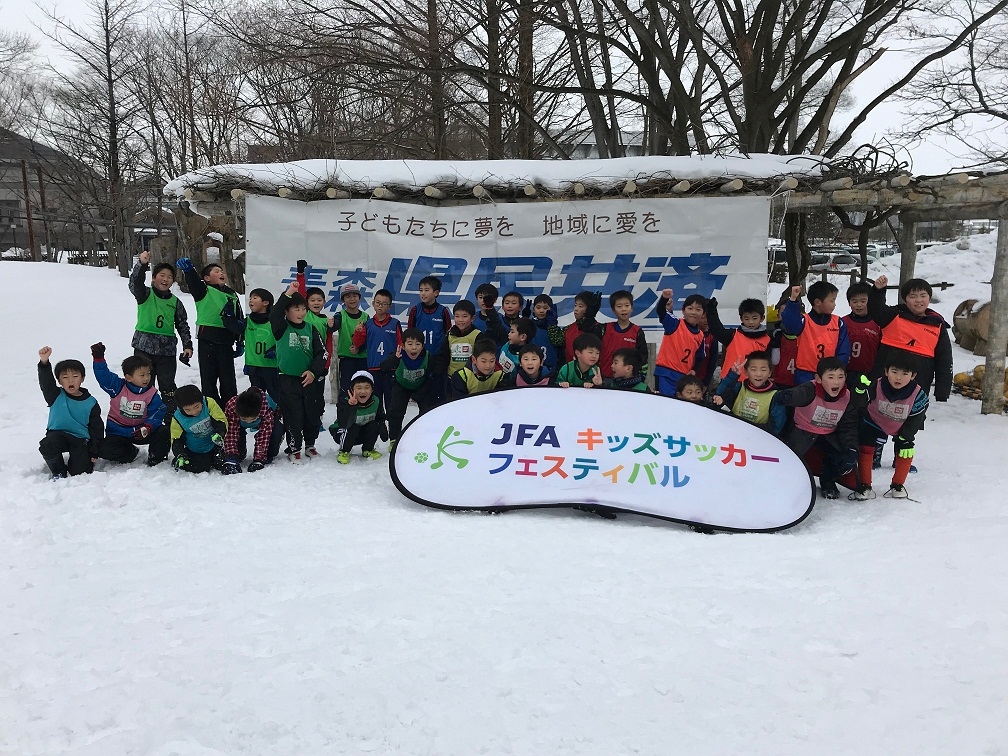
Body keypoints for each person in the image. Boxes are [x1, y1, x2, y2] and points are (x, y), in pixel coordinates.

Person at [771, 357, 862, 499]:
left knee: (844, 456)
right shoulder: (810, 389)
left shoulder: (847, 398)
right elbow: (799, 394)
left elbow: (848, 427)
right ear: (819, 379)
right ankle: (788, 482)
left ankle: (828, 481)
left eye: (840, 377)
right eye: (830, 377)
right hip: (802, 432)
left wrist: (851, 447)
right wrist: (787, 397)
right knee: (790, 457)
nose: (836, 382)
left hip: (828, 435)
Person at [850, 353, 929, 500]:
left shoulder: (918, 395)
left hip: (901, 426)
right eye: (894, 372)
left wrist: (906, 437)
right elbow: (858, 403)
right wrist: (859, 390)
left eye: (905, 374)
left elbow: (916, 418)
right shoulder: (876, 385)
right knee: (865, 448)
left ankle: (898, 485)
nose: (898, 378)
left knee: (906, 450)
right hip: (874, 421)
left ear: (913, 376)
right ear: (886, 372)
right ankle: (865, 485)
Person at [867, 275, 952, 402]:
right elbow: (875, 309)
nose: (918, 300)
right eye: (913, 296)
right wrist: (878, 291)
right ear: (905, 300)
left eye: (923, 296)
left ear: (929, 298)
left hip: (918, 384)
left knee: (913, 418)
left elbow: (944, 360)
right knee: (877, 415)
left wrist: (942, 391)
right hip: (884, 380)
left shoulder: (937, 325)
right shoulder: (894, 316)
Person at [128, 250, 192, 408]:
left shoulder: (175, 302)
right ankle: (141, 416)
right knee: (143, 384)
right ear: (154, 278)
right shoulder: (145, 294)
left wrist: (187, 345)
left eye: (170, 277)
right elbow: (134, 283)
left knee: (167, 387)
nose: (166, 279)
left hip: (166, 351)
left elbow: (182, 324)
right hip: (144, 348)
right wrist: (141, 265)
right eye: (162, 275)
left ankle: (170, 418)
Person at [270, 283, 327, 463]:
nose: (301, 313)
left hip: (309, 380)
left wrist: (313, 371)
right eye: (296, 309)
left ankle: (310, 444)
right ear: (287, 312)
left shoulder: (311, 328)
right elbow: (274, 313)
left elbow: (322, 353)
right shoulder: (281, 328)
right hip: (288, 380)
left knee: (312, 413)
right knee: (293, 414)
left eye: (303, 308)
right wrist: (288, 294)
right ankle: (294, 448)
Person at [176, 256, 245, 403]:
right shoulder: (203, 291)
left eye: (222, 271)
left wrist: (240, 341)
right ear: (206, 278)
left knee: (228, 382)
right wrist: (189, 270)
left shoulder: (232, 294)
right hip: (207, 341)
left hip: (226, 342)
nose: (221, 273)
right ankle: (212, 411)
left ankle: (230, 411)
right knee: (208, 381)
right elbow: (194, 282)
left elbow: (239, 318)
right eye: (216, 271)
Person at [91, 343, 170, 466]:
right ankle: (130, 452)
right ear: (128, 377)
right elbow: (104, 377)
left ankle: (156, 458)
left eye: (148, 374)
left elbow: (157, 414)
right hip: (118, 431)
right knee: (104, 450)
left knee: (163, 431)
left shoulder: (152, 394)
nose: (146, 378)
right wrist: (98, 358)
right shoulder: (118, 387)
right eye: (142, 375)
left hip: (142, 431)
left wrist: (148, 427)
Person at [37, 346, 103, 479]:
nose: (71, 380)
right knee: (47, 445)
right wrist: (44, 362)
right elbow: (46, 382)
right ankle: (59, 471)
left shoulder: (91, 402)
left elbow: (97, 428)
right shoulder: (55, 395)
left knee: (80, 472)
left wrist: (94, 450)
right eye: (65, 377)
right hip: (57, 436)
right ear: (59, 381)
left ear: (82, 378)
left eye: (75, 376)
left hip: (80, 440)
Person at [380, 328, 441, 448]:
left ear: (422, 346)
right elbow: (383, 367)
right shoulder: (397, 355)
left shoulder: (429, 357)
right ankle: (394, 439)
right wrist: (394, 359)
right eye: (410, 344)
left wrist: (420, 393)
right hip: (401, 385)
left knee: (427, 411)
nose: (414, 348)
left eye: (418, 344)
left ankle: (425, 437)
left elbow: (432, 377)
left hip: (421, 386)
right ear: (403, 345)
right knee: (395, 412)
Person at [779, 282, 850, 385]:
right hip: (805, 374)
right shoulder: (804, 321)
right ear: (817, 302)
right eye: (832, 300)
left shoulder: (838, 323)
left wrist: (836, 371)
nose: (834, 304)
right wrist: (793, 300)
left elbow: (843, 350)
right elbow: (790, 323)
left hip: (829, 375)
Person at [352, 288, 402, 414]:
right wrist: (358, 332)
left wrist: (396, 361)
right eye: (378, 303)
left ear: (389, 307)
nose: (380, 306)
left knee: (391, 403)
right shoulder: (368, 324)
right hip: (373, 369)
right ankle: (379, 430)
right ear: (373, 303)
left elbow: (401, 344)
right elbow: (358, 344)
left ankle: (393, 429)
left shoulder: (395, 324)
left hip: (391, 370)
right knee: (376, 403)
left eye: (384, 304)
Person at [715, 350, 785, 434]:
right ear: (746, 372)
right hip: (733, 432)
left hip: (757, 438)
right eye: (753, 369)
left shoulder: (776, 396)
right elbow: (720, 393)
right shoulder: (739, 387)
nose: (758, 374)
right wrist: (733, 375)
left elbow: (776, 427)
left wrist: (750, 431)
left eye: (763, 370)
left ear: (770, 373)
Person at [407, 275, 453, 405]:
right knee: (420, 395)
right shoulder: (415, 310)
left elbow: (448, 334)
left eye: (426, 290)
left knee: (438, 395)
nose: (423, 293)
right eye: (421, 290)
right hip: (420, 357)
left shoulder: (443, 311)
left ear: (436, 293)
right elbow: (410, 333)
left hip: (438, 358)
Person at [653, 288, 706, 397]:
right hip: (666, 373)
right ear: (683, 310)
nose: (693, 312)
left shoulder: (700, 335)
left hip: (683, 378)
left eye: (698, 309)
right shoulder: (675, 323)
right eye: (690, 308)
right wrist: (664, 298)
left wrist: (694, 370)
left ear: (703, 313)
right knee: (666, 403)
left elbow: (700, 357)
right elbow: (660, 311)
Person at [221, 386, 285, 474]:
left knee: (274, 439)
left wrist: (259, 459)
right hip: (239, 424)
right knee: (238, 453)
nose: (248, 421)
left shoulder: (266, 408)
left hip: (271, 422)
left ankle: (269, 451)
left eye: (252, 419)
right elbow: (231, 432)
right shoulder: (231, 406)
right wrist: (231, 457)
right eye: (244, 419)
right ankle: (238, 453)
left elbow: (264, 435)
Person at [706, 296, 770, 383]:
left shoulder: (768, 339)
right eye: (746, 318)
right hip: (729, 383)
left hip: (755, 384)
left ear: (762, 318)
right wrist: (711, 309)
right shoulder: (733, 335)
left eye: (754, 318)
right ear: (741, 319)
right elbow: (716, 329)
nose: (751, 322)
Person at [331, 370, 388, 464]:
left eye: (367, 388)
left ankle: (367, 449)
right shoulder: (345, 402)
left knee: (374, 425)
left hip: (362, 432)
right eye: (359, 388)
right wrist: (350, 407)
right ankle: (344, 451)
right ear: (352, 389)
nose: (363, 391)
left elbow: (380, 418)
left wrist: (383, 430)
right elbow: (343, 422)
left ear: (372, 390)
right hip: (343, 432)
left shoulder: (376, 401)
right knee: (352, 427)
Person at [170, 384, 227, 473]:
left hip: (215, 444)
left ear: (201, 401)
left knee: (223, 463)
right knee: (202, 467)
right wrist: (179, 453)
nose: (194, 412)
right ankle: (183, 459)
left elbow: (221, 420)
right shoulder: (178, 418)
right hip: (196, 450)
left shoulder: (209, 403)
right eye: (188, 410)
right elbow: (176, 439)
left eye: (197, 407)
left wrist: (220, 433)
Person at [599, 290, 649, 381]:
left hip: (629, 381)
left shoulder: (637, 331)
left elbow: (643, 358)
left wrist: (640, 378)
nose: (623, 309)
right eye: (619, 306)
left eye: (627, 305)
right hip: (605, 379)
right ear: (613, 310)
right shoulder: (604, 328)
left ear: (632, 308)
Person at [841, 282, 881, 389]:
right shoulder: (842, 322)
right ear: (849, 303)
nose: (859, 305)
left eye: (863, 301)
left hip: (868, 373)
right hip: (845, 372)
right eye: (854, 301)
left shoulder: (878, 323)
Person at [243, 287, 279, 401]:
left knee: (276, 396)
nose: (251, 301)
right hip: (254, 367)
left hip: (272, 367)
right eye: (250, 298)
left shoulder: (275, 321)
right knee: (256, 398)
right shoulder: (247, 321)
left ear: (265, 303)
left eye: (255, 297)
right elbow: (234, 327)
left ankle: (278, 416)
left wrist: (275, 349)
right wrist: (227, 317)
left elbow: (283, 339)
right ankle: (258, 418)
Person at [333, 282, 369, 396]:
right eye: (348, 296)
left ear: (359, 298)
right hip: (346, 359)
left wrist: (360, 348)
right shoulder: (339, 315)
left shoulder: (366, 317)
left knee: (363, 389)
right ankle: (344, 413)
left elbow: (369, 338)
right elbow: (333, 327)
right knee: (346, 390)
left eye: (354, 296)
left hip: (363, 358)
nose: (352, 299)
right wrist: (330, 324)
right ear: (343, 300)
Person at [558, 291, 604, 363]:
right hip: (571, 371)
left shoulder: (600, 329)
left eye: (580, 306)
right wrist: (551, 322)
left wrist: (589, 319)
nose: (576, 309)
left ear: (590, 309)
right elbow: (556, 340)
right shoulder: (569, 328)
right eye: (575, 305)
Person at [441, 300, 483, 377]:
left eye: (464, 316)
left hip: (471, 378)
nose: (460, 320)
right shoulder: (450, 335)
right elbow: (444, 357)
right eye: (457, 316)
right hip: (452, 378)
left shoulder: (478, 335)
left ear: (472, 318)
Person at [527, 293, 560, 376]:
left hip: (552, 370)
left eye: (545, 308)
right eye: (538, 307)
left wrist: (552, 324)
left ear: (551, 309)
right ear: (533, 309)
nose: (541, 310)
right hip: (532, 369)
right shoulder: (529, 328)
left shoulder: (555, 329)